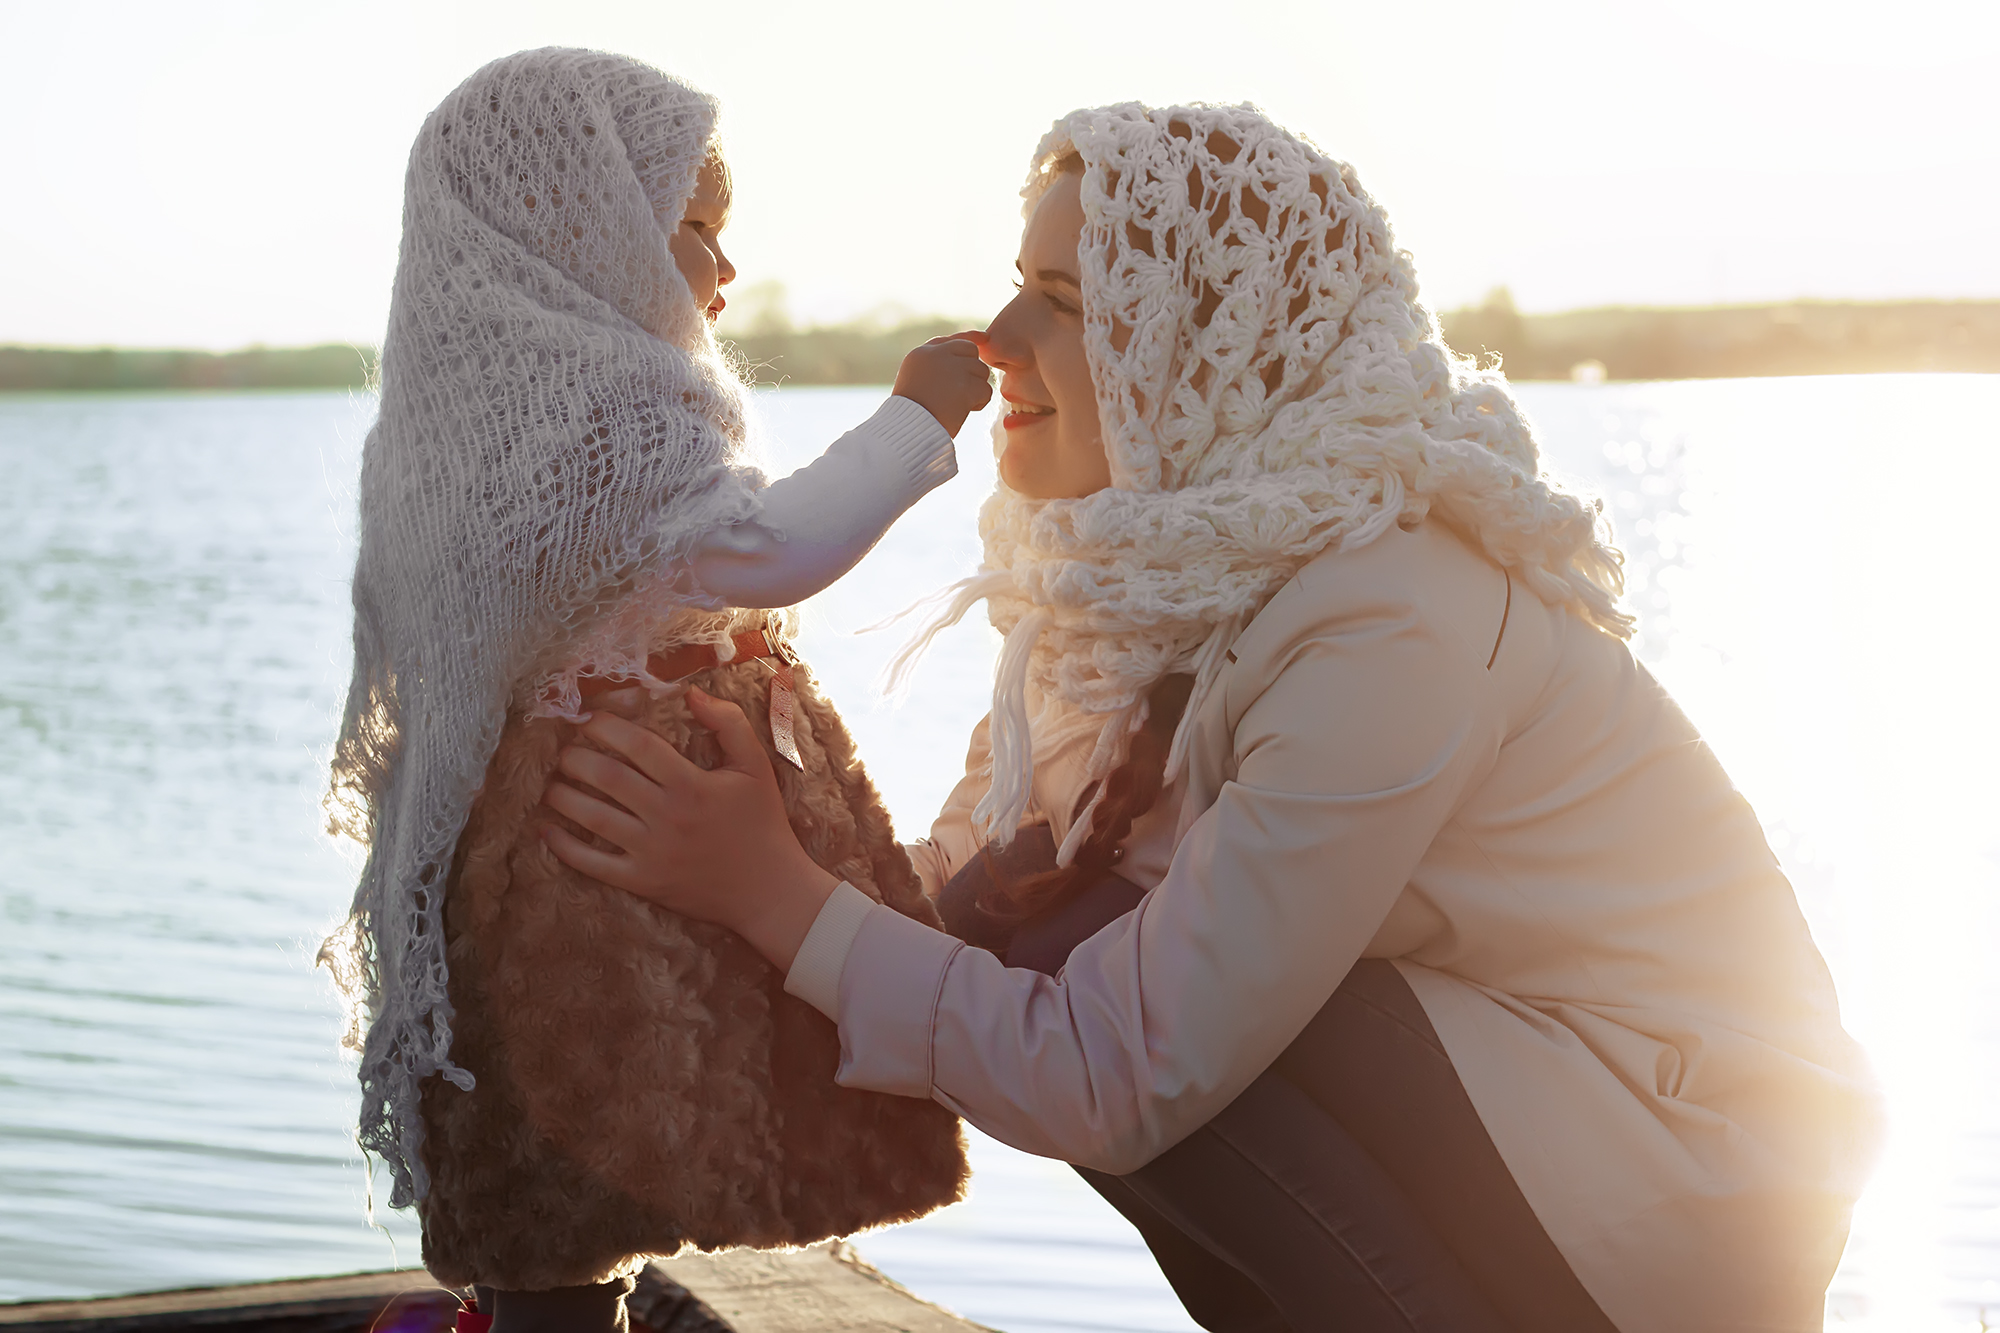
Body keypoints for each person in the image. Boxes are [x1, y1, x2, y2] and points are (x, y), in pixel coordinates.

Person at [542, 102, 1882, 1332]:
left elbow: (1121, 1069)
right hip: (1523, 1137)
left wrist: (779, 895)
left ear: (1210, 345)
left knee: (1095, 955)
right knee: (1055, 922)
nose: (998, 337)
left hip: (1685, 1196)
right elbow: (947, 899)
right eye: (1018, 282)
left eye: (1068, 299)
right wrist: (746, 849)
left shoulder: (1387, 602)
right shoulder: (1125, 582)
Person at [317, 49, 988, 1333]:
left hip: (593, 829)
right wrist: (918, 419)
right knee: (589, 1121)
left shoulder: (469, 415)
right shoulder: (600, 413)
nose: (726, 274)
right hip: (600, 845)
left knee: (593, 1156)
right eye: (694, 230)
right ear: (577, 227)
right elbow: (765, 551)